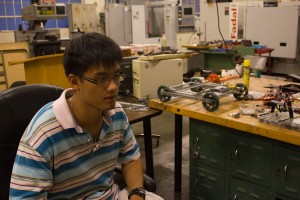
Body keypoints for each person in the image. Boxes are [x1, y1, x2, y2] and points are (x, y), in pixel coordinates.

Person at [10, 32, 163, 200]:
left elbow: (131, 158)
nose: (113, 86)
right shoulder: (43, 132)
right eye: (101, 79)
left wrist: (136, 194)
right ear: (75, 82)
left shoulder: (116, 113)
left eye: (116, 76)